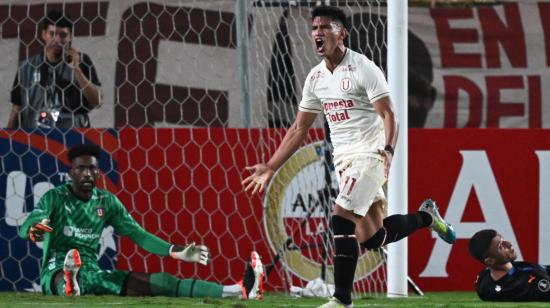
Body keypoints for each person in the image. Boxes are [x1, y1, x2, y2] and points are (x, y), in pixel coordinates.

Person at [242, 6, 455, 307]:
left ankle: (342, 299)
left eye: (325, 27)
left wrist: (389, 152)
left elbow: (390, 114)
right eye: (314, 27)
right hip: (344, 160)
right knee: (372, 238)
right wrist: (270, 165)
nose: (318, 32)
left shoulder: (363, 68)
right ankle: (427, 217)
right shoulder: (316, 78)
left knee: (341, 219)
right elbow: (298, 128)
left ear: (342, 33)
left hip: (371, 155)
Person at [19, 144, 264, 299]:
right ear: (71, 172)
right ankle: (69, 285)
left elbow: (138, 235)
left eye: (92, 169)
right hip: (54, 269)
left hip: (94, 272)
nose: (87, 173)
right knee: (64, 277)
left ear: (98, 172)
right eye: (81, 168)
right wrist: (33, 229)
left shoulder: (106, 202)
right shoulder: (55, 197)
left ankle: (238, 291)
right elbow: (30, 222)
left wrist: (174, 251)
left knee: (161, 282)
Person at [7, 10, 102, 128]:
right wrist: (8, 141)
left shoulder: (82, 61)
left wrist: (76, 70)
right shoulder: (27, 67)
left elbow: (97, 101)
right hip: (36, 139)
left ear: (70, 36)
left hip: (73, 137)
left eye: (62, 35)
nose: (57, 40)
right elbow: (16, 109)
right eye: (52, 34)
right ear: (43, 35)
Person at [469, 229, 550, 301]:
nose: (509, 244)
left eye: (503, 240)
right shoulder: (532, 278)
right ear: (490, 261)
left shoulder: (482, 283)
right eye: (500, 246)